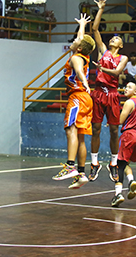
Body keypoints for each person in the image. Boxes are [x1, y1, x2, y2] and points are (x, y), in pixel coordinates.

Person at [52, 14, 95, 189]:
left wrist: (85, 83)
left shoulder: (76, 58)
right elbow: (80, 39)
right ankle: (81, 173)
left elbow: (78, 71)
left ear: (79, 48)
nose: (74, 40)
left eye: (76, 41)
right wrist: (83, 25)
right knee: (81, 137)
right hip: (86, 99)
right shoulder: (82, 54)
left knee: (71, 130)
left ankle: (70, 166)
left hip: (77, 96)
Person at [89, 0, 128, 183]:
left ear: (121, 45)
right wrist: (101, 9)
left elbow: (117, 72)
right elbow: (94, 28)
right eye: (113, 37)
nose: (114, 38)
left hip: (112, 94)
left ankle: (113, 163)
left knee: (114, 130)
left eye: (117, 38)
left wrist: (102, 68)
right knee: (95, 129)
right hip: (98, 92)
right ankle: (94, 163)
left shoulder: (123, 58)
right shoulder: (102, 50)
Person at [111, 80, 136, 207]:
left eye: (129, 87)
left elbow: (120, 120)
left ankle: (118, 194)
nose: (126, 88)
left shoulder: (129, 102)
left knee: (119, 165)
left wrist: (111, 122)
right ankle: (131, 181)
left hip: (129, 135)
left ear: (135, 91)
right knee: (126, 162)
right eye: (125, 86)